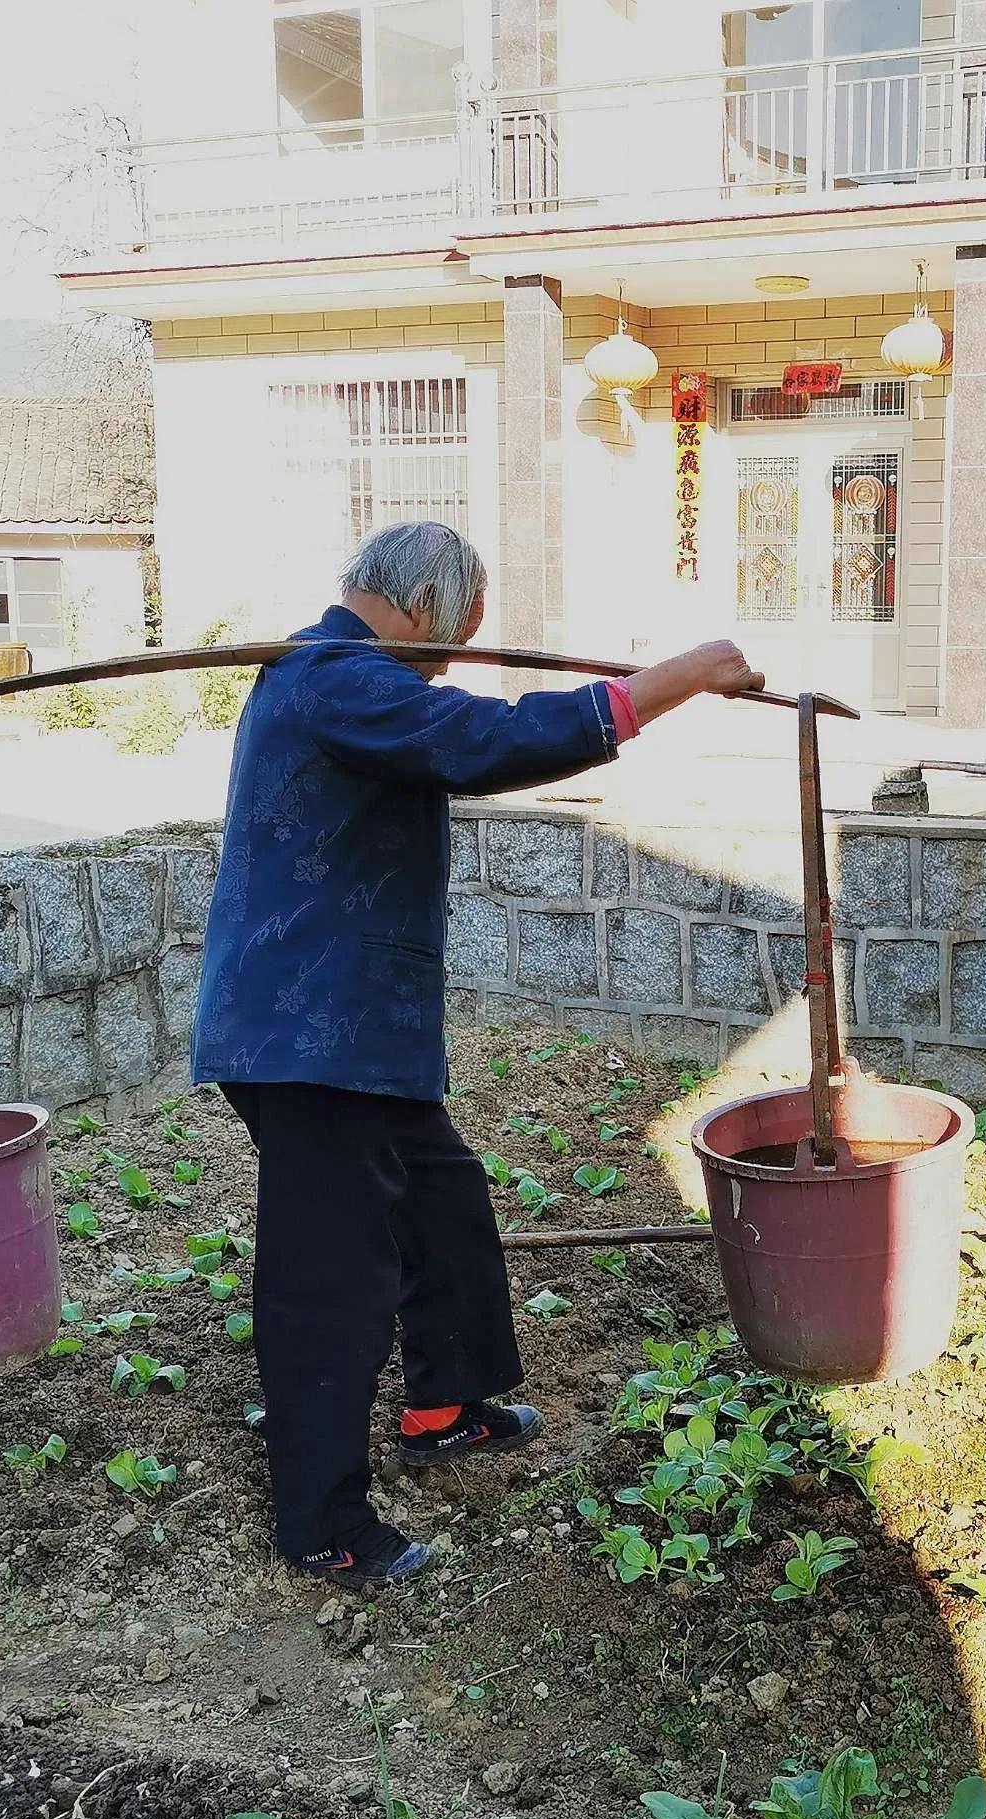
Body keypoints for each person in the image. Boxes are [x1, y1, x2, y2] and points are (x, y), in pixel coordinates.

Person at [195, 521, 764, 1589]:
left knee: (440, 1199)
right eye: (452, 637)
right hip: (309, 1036)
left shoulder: (337, 675)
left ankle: (443, 1405)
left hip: (347, 1029)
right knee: (330, 1272)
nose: (449, 661)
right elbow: (485, 741)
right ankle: (321, 1522)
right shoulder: (336, 676)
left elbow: (452, 736)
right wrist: (678, 678)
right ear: (422, 604)